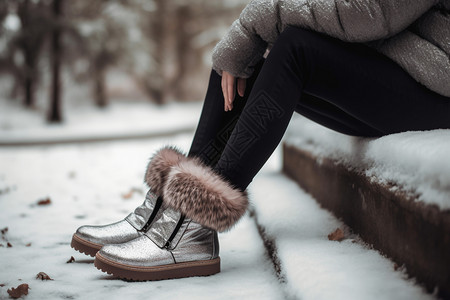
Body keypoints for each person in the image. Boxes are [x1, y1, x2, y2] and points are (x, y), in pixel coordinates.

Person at [71, 0, 450, 281]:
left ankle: (193, 223)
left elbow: (374, 12)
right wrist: (250, 35)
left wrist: (254, 21)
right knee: (246, 56)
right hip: (406, 70)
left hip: (436, 87)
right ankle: (171, 211)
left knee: (291, 47)